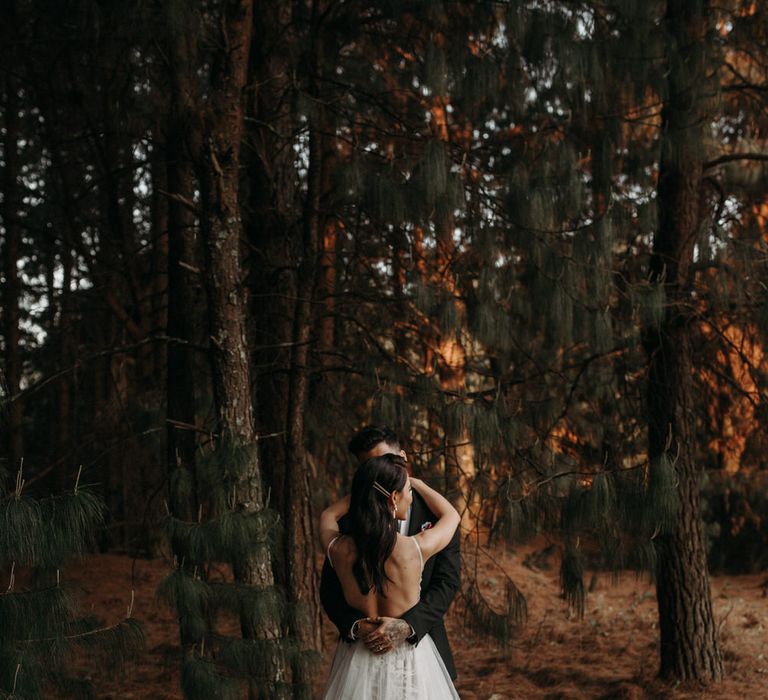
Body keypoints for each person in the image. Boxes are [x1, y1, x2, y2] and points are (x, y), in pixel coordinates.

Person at [319, 426, 461, 678]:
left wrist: (409, 626)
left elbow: (447, 583)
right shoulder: (418, 544)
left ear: (403, 459)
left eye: (386, 464)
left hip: (420, 648)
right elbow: (329, 592)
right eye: (369, 470)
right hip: (361, 653)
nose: (378, 474)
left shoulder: (338, 541)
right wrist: (354, 627)